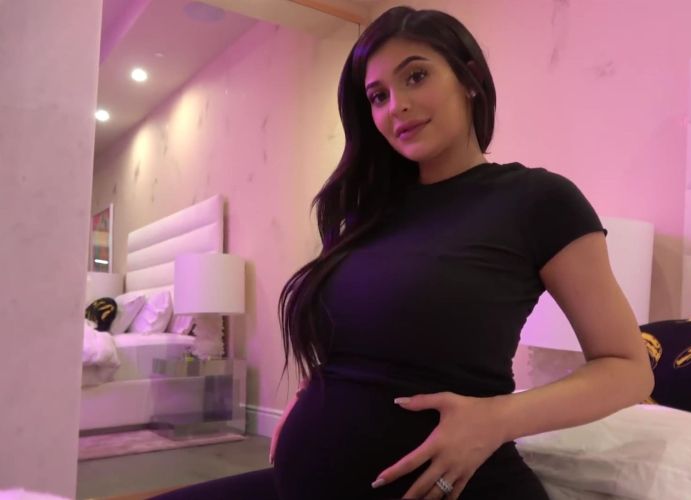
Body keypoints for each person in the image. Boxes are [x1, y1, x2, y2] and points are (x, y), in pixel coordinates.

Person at [153, 5, 653, 500]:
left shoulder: (538, 200)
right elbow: (361, 338)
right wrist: (310, 397)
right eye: (378, 96)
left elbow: (628, 368)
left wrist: (497, 417)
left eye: (416, 76)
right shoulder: (366, 213)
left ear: (470, 79)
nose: (397, 106)